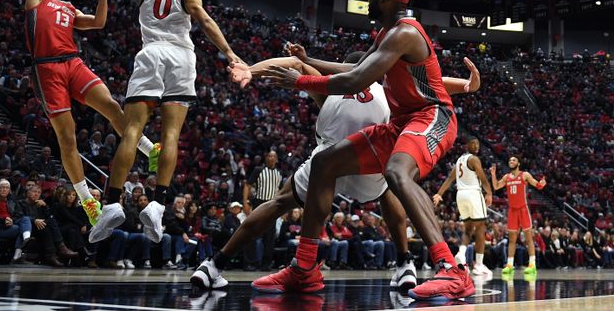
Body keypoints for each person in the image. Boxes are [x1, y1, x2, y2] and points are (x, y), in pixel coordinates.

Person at [252, 0, 476, 301]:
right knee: (324, 162)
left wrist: (299, 81)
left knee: (397, 173)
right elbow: (355, 70)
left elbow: (356, 81)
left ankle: (451, 269)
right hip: (402, 122)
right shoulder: (387, 33)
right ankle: (304, 268)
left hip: (432, 116)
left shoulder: (404, 33)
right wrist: (308, 61)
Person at [193, 49, 479, 294]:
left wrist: (250, 70)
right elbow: (433, 84)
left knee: (279, 202)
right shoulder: (387, 90)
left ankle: (215, 264)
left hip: (326, 164)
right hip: (367, 168)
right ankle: (405, 264)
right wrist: (467, 84)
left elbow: (292, 63)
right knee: (392, 186)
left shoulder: (328, 85)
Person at [83, 0, 242, 246]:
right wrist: (230, 54)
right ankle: (158, 203)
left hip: (151, 53)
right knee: (170, 135)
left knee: (132, 132)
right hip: (182, 58)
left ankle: (111, 203)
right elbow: (205, 21)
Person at [23, 0, 159, 225]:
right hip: (47, 69)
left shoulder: (68, 9)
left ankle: (149, 150)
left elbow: (98, 23)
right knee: (66, 137)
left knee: (112, 107)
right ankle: (86, 200)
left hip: (73, 62)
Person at [432, 136, 493, 277]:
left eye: (478, 144)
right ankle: (479, 265)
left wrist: (439, 193)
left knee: (468, 229)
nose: (476, 146)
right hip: (473, 193)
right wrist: (489, 193)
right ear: (467, 146)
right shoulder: (474, 159)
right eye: (473, 144)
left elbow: (449, 178)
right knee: (481, 228)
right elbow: (483, 178)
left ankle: (461, 254)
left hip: (460, 196)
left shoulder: (460, 160)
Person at [490, 156, 546, 276]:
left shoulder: (524, 175)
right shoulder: (506, 177)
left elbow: (537, 185)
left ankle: (532, 265)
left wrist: (541, 183)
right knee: (512, 239)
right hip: (512, 211)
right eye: (510, 160)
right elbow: (496, 187)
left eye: (513, 160)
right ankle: (509, 265)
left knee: (528, 237)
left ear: (518, 163)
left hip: (523, 209)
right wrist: (493, 174)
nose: (511, 162)